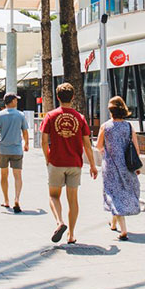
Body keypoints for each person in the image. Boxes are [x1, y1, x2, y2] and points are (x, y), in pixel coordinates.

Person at [41, 83, 98, 244]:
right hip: (75, 163)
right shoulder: (80, 118)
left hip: (56, 162)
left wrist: (47, 157)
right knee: (73, 200)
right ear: (73, 97)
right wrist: (93, 165)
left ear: (57, 97)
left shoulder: (50, 116)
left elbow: (44, 141)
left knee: (53, 195)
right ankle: (71, 234)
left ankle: (60, 222)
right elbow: (87, 144)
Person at [95, 96, 141, 241]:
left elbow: (98, 145)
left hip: (110, 166)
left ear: (111, 111)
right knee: (122, 192)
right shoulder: (128, 126)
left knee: (114, 194)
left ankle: (124, 231)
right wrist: (137, 165)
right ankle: (113, 224)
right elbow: (136, 146)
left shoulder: (106, 126)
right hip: (127, 166)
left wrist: (106, 150)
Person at [0, 92, 29, 213]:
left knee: (4, 175)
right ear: (12, 101)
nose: (17, 102)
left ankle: (6, 200)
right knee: (18, 176)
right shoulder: (20, 115)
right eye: (16, 100)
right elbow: (25, 132)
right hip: (16, 149)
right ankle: (16, 198)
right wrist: (26, 144)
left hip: (3, 149)